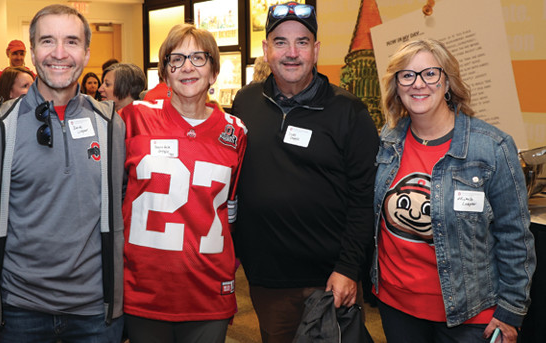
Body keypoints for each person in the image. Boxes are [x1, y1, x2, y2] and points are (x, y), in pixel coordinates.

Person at [0, 4, 126, 342]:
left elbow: (121, 206)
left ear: (86, 52)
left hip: (95, 312)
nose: (60, 53)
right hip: (20, 310)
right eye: (48, 41)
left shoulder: (110, 124)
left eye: (72, 42)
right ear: (32, 51)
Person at [231, 3, 379, 342]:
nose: (292, 52)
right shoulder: (246, 104)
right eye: (280, 42)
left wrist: (348, 268)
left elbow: (363, 199)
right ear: (266, 50)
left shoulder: (349, 112)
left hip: (328, 278)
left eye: (302, 42)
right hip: (267, 280)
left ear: (316, 50)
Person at [372, 38, 536, 343]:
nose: (418, 84)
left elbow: (515, 236)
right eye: (406, 75)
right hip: (396, 307)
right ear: (396, 85)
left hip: (470, 313)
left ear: (447, 82)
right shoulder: (387, 142)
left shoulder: (492, 147)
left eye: (430, 74)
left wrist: (511, 311)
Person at [120, 23, 247, 343]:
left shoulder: (235, 132)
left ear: (215, 72)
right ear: (164, 72)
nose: (187, 66)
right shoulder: (133, 118)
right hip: (143, 289)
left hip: (208, 289)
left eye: (199, 58)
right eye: (176, 59)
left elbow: (230, 208)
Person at [0, 40, 35, 108]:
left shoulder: (31, 75)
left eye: (21, 54)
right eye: (15, 53)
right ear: (7, 53)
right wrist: (13, 96)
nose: (19, 58)